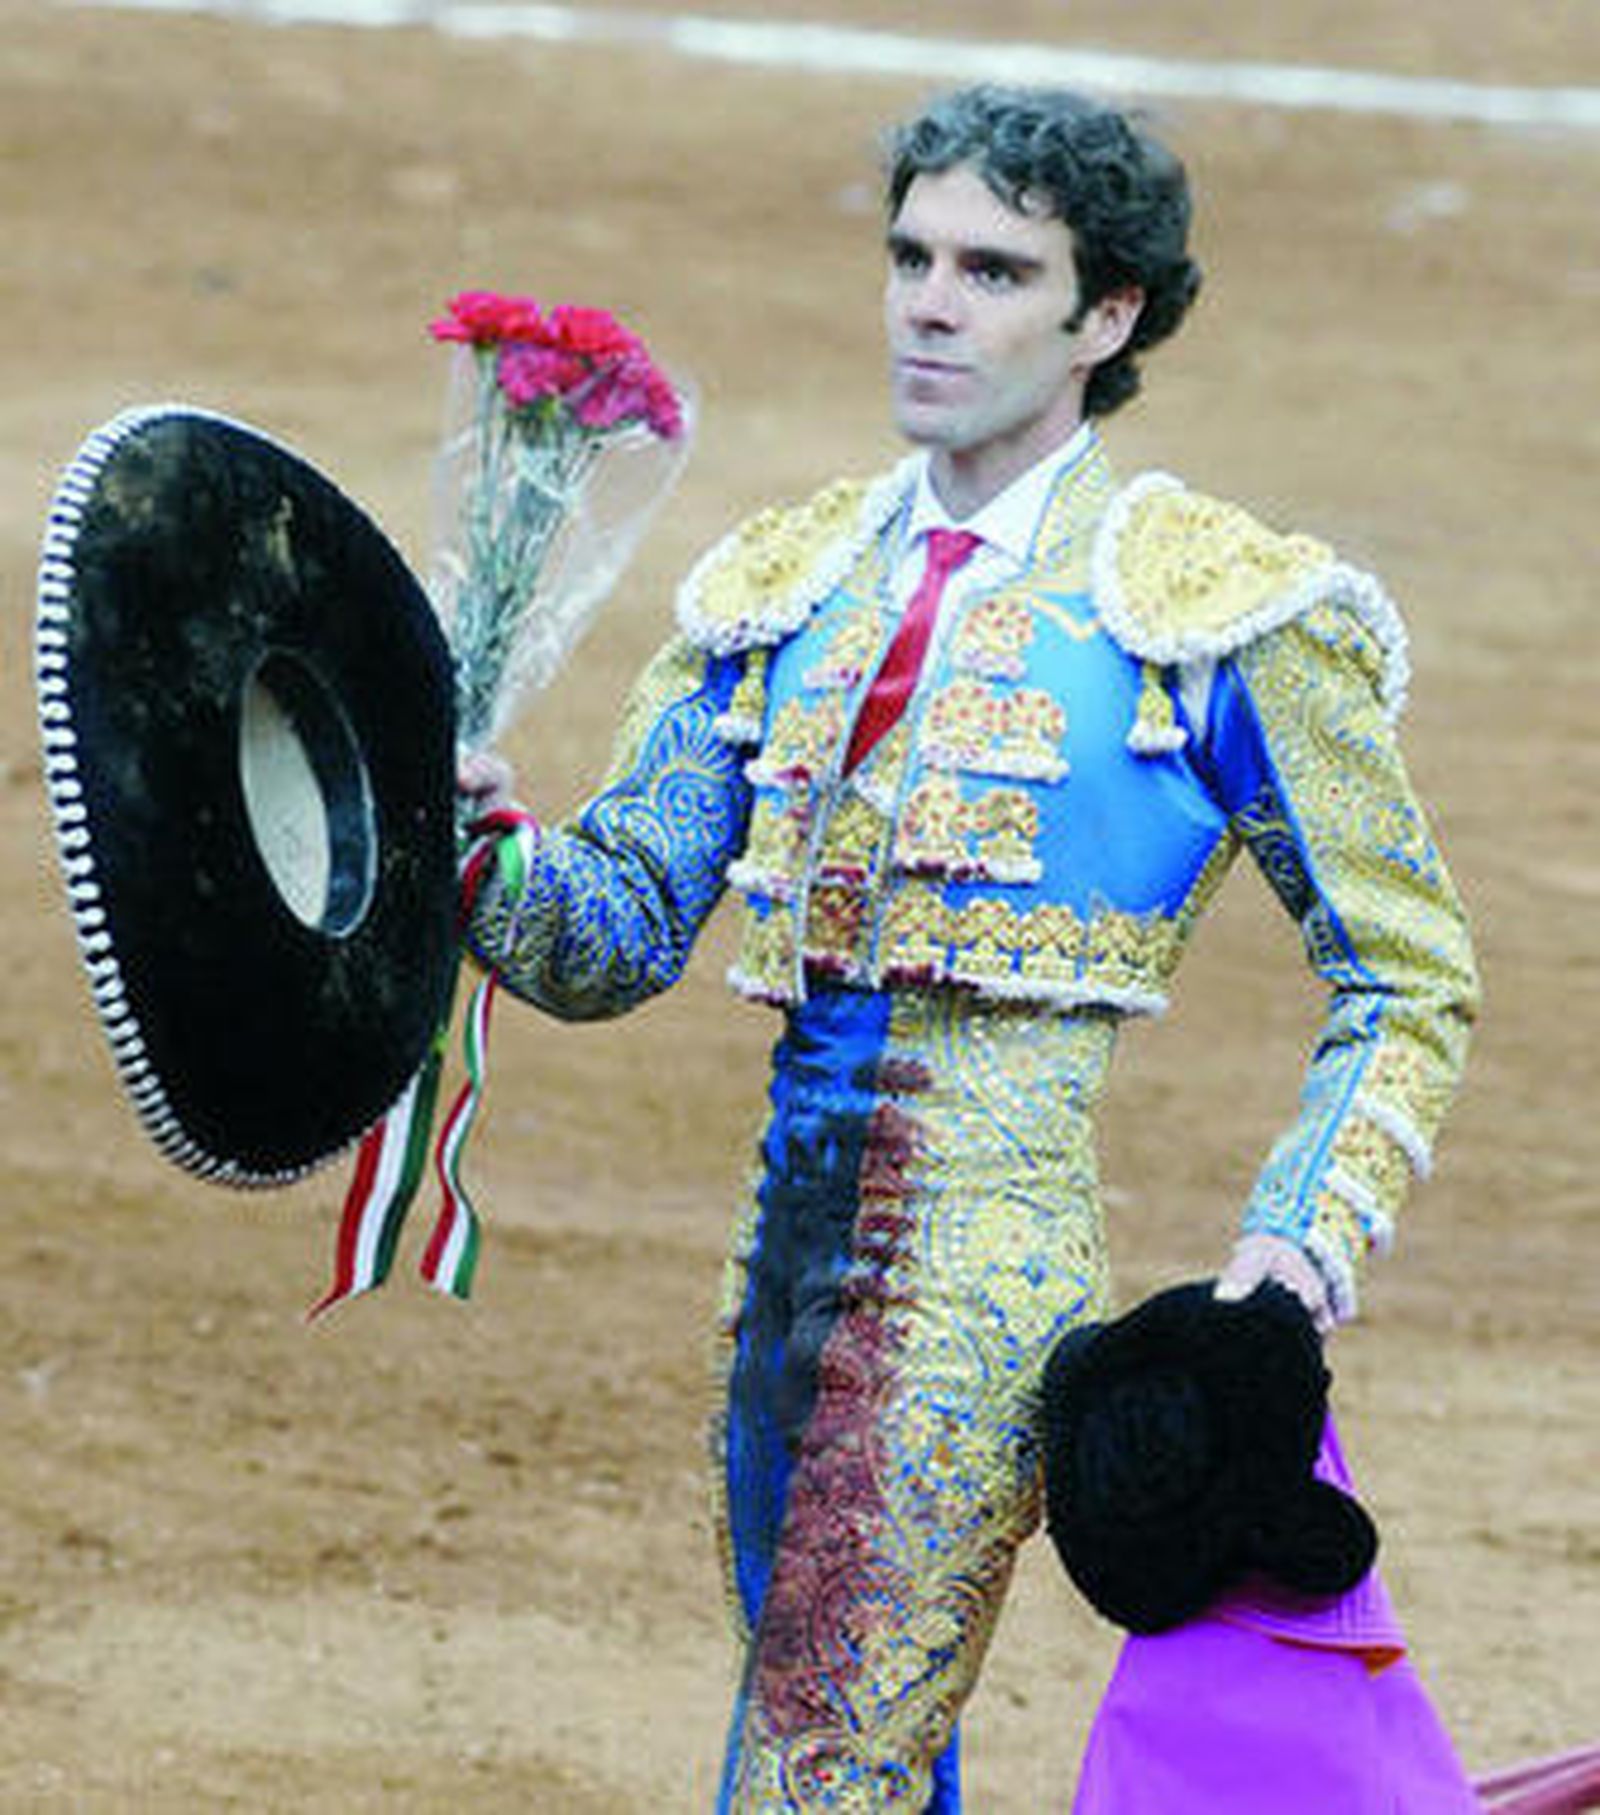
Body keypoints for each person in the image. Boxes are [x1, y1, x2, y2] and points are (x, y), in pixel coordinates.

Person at [459, 84, 1478, 1812]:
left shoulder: (1208, 607)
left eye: (996, 270)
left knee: (819, 1754)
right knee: (841, 1718)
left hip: (980, 1260)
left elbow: (1407, 968)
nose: (932, 302)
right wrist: (467, 845)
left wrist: (1304, 1233)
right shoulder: (788, 585)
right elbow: (614, 936)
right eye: (913, 256)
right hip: (777, 1248)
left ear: (1109, 316)